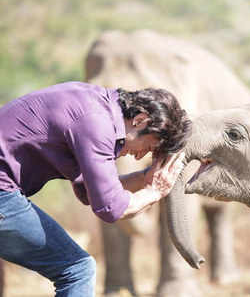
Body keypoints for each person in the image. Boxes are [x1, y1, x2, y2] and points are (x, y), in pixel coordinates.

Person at [0, 81, 191, 296]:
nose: (140, 156)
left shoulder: (97, 104)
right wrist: (155, 191)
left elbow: (88, 193)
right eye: (148, 147)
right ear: (140, 120)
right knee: (77, 269)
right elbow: (111, 208)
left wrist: (145, 178)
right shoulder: (97, 124)